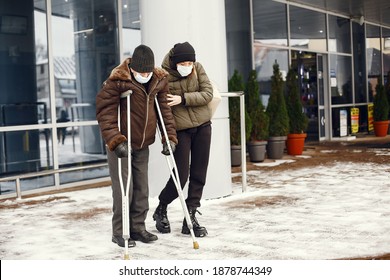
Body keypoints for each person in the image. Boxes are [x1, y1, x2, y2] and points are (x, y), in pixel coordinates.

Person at [96, 44, 178, 248]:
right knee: (125, 188)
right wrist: (115, 140)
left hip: (143, 143)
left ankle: (138, 227)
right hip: (121, 145)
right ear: (132, 68)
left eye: (147, 72)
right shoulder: (118, 81)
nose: (144, 75)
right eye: (141, 72)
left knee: (142, 188)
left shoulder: (159, 80)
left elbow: (164, 112)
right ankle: (120, 231)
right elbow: (105, 113)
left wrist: (170, 138)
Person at [153, 42, 213, 237]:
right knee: (181, 174)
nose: (188, 65)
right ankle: (162, 206)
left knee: (199, 172)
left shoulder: (198, 68)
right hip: (180, 131)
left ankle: (191, 215)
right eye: (184, 62)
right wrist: (165, 137)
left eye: (190, 62)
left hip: (203, 126)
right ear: (175, 62)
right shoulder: (162, 76)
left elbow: (208, 94)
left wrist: (183, 99)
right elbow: (161, 110)